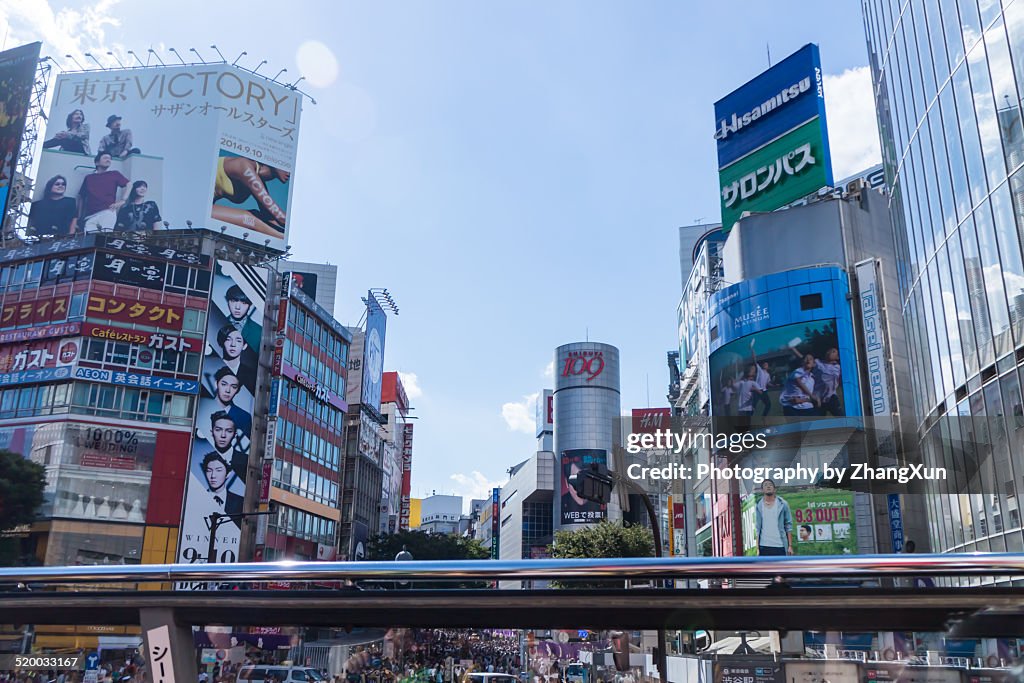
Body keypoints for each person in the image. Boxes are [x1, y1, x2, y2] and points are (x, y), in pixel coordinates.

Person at [212, 155, 290, 236]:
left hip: (206, 208)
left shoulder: (257, 179)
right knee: (250, 219)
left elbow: (269, 217)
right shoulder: (244, 166)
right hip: (199, 206)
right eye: (288, 165)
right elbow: (281, 217)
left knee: (260, 219)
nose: (290, 172)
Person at [78, 151, 130, 232]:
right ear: (97, 162)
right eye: (105, 158)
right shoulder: (89, 178)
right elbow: (81, 197)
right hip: (90, 216)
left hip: (107, 212)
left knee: (104, 239)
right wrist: (79, 216)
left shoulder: (114, 174)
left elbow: (129, 184)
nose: (108, 160)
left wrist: (123, 201)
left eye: (110, 159)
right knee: (89, 240)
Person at [794, 346, 844, 416]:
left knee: (842, 418)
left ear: (837, 357)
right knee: (817, 420)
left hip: (831, 397)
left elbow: (841, 381)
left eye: (833, 351)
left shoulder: (838, 367)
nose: (829, 352)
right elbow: (804, 359)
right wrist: (793, 349)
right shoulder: (818, 363)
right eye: (829, 351)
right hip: (818, 398)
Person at [216, 324, 258, 395]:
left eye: (238, 341)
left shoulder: (251, 375)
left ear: (244, 346)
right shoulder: (214, 365)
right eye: (228, 339)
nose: (233, 344)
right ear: (222, 342)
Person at [210, 366, 252, 438]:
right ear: (216, 384)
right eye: (224, 384)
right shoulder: (203, 406)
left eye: (233, 387)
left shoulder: (244, 417)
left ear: (238, 390)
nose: (228, 390)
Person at [755, 479, 792, 556]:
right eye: (765, 485)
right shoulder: (758, 506)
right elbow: (757, 528)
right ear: (762, 490)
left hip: (780, 545)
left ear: (774, 489)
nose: (768, 486)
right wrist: (757, 548)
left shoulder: (782, 504)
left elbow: (788, 525)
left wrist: (790, 546)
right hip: (764, 546)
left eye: (770, 485)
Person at [750, 340, 772, 416]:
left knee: (768, 404)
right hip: (757, 390)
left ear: (768, 367)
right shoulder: (759, 370)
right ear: (763, 366)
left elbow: (768, 383)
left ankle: (764, 417)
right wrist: (752, 349)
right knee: (753, 406)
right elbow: (754, 359)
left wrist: (773, 385)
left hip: (764, 391)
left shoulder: (768, 375)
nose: (765, 364)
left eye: (767, 364)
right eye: (764, 364)